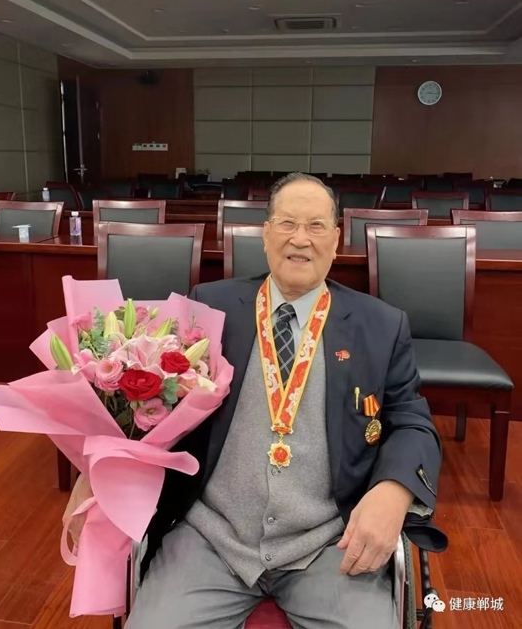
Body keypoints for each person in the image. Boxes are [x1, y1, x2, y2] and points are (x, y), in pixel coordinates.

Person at [65, 172, 443, 629]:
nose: (300, 239)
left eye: (316, 226)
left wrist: (394, 491)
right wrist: (100, 469)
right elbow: (154, 411)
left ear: (336, 238)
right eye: (287, 223)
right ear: (265, 235)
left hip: (329, 544)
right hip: (210, 537)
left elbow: (411, 421)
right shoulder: (209, 308)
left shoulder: (380, 325)